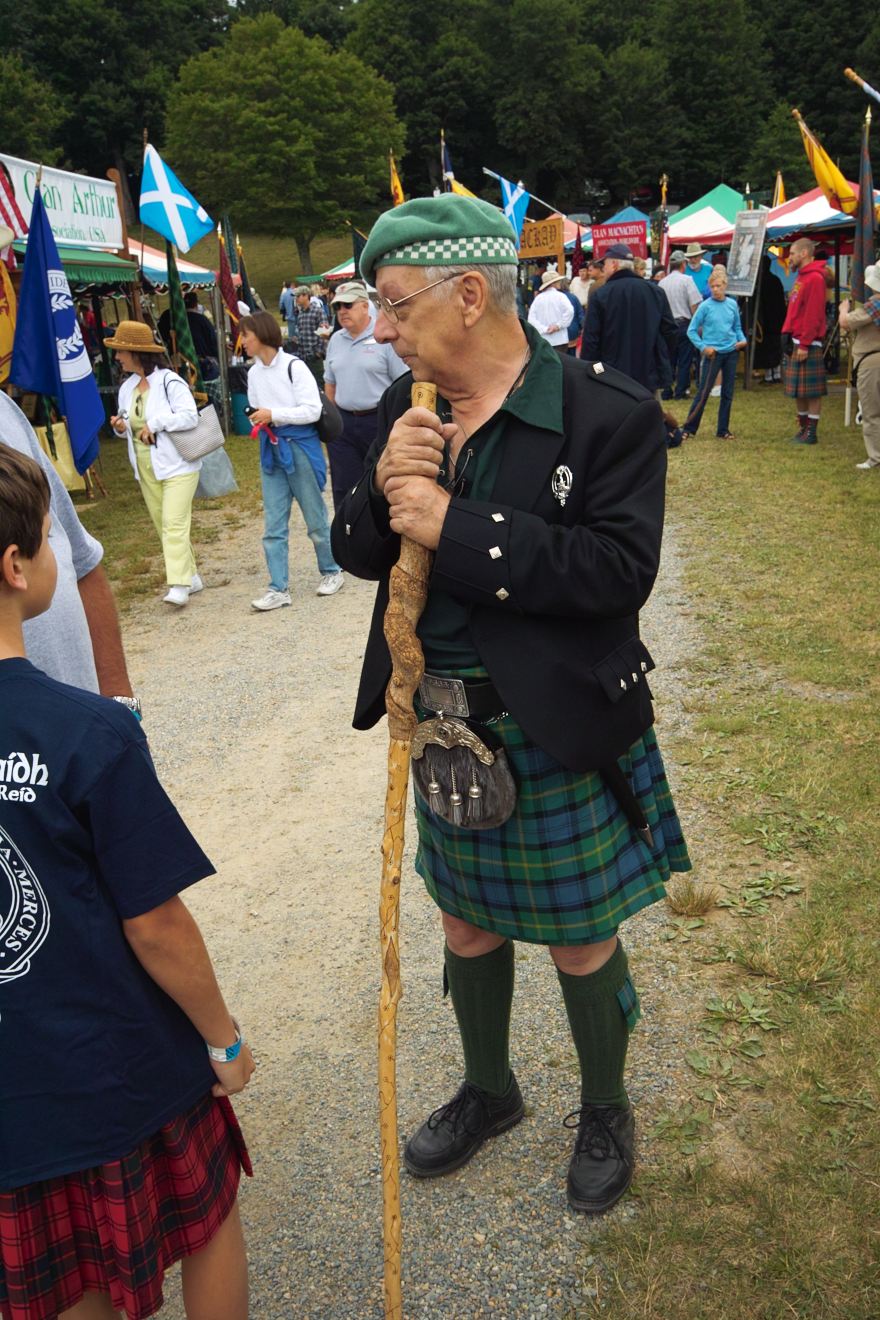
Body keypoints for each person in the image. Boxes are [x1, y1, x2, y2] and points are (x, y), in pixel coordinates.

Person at [331, 194, 690, 1216]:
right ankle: (490, 1090)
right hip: (442, 722)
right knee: (464, 925)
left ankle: (606, 1107)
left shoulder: (606, 414)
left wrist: (454, 524)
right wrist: (383, 490)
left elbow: (615, 573)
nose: (382, 329)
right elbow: (357, 550)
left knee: (580, 935)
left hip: (553, 724)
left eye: (395, 304)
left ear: (469, 295)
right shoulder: (409, 410)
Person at [0, 442, 255, 1320]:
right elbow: (156, 924)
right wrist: (223, 1040)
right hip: (122, 1073)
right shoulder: (88, 733)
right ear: (17, 565)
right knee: (208, 1222)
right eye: (48, 536)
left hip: (15, 1098)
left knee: (68, 1276)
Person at [0, 391, 136, 703]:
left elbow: (79, 555)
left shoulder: (4, 409)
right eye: (46, 539)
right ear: (15, 566)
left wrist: (120, 705)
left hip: (84, 718)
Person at [241, 310, 343, 609]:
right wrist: (258, 418)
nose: (242, 341)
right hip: (271, 448)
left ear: (261, 334)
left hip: (298, 445)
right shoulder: (253, 373)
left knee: (314, 516)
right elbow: (254, 407)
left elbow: (312, 410)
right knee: (273, 522)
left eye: (245, 335)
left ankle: (332, 570)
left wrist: (274, 414)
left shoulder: (294, 367)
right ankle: (278, 587)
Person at [106, 321, 202, 609]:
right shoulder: (127, 388)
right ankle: (191, 575)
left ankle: (179, 585)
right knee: (164, 524)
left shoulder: (170, 381)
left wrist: (156, 423)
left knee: (173, 523)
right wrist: (120, 427)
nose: (117, 357)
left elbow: (190, 416)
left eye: (120, 351)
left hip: (178, 465)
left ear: (136, 352)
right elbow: (128, 425)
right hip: (145, 466)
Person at [322, 282, 408, 510]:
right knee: (344, 485)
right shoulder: (336, 340)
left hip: (377, 420)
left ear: (364, 305)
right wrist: (331, 418)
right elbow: (330, 382)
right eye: (337, 306)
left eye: (348, 305)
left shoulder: (383, 337)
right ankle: (347, 527)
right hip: (344, 423)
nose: (342, 311)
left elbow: (402, 383)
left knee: (381, 482)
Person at [581, 243, 677, 397]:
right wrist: (661, 363)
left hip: (612, 379)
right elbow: (670, 333)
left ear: (614, 264)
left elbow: (590, 344)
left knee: (617, 413)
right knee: (648, 411)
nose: (603, 269)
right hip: (648, 376)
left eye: (605, 264)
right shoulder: (655, 292)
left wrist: (597, 374)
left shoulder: (600, 296)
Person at [679, 266, 747, 441]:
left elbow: (737, 327)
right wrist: (703, 347)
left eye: (718, 286)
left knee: (727, 393)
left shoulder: (732, 304)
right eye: (712, 286)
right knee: (703, 392)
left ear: (725, 285)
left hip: (731, 352)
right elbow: (691, 330)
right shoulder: (705, 306)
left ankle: (723, 429)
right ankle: (689, 428)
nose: (715, 290)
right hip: (713, 354)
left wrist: (742, 340)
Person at [781, 238, 828, 445]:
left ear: (804, 253)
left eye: (792, 253)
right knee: (798, 390)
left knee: (812, 391)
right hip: (796, 339)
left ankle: (811, 432)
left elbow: (813, 314)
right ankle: (803, 428)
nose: (789, 257)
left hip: (807, 342)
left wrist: (805, 343)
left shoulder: (815, 278)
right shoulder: (801, 277)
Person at [839, 263, 880, 470]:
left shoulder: (875, 305)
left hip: (871, 361)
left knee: (872, 412)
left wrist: (843, 310)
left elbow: (846, 323)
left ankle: (875, 457)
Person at [659, 252, 701, 400]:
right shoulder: (687, 280)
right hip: (684, 323)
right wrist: (697, 325)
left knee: (669, 359)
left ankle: (666, 390)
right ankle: (681, 391)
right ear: (683, 264)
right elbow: (694, 304)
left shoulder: (662, 282)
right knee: (684, 359)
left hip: (667, 325)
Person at [753, 254, 786, 384]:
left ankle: (768, 376)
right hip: (777, 320)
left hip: (765, 321)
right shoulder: (776, 280)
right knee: (776, 346)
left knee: (766, 348)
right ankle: (776, 374)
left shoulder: (760, 281)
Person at [527, 269, 573, 350]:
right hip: (560, 339)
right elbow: (570, 312)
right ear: (553, 283)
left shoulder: (538, 299)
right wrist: (558, 326)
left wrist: (545, 329)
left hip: (543, 340)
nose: (560, 283)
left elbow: (531, 319)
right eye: (558, 281)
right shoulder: (561, 296)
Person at [291, 286, 328, 383]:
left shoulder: (318, 311)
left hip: (314, 358)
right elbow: (301, 332)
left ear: (306, 296)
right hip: (303, 357)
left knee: (319, 384)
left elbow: (324, 333)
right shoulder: (301, 314)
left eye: (298, 296)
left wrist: (318, 353)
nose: (296, 299)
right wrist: (297, 339)